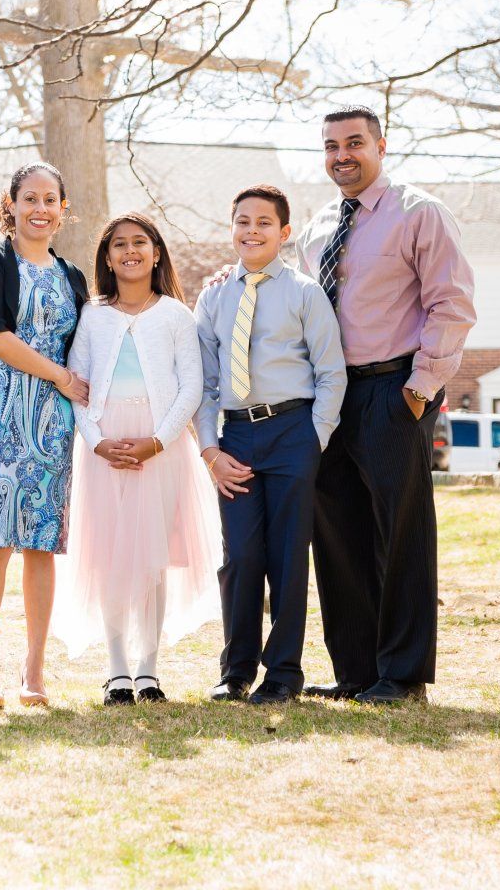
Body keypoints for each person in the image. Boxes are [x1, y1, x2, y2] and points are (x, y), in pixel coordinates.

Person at [297, 107, 475, 705]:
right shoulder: (318, 225)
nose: (342, 155)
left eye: (354, 143)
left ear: (381, 145)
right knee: (336, 528)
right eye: (331, 146)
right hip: (329, 394)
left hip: (394, 388)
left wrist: (420, 388)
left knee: (400, 530)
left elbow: (452, 304)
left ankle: (402, 675)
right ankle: (355, 670)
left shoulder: (420, 212)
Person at [53, 213, 222, 705]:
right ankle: (118, 672)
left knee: (153, 558)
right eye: (120, 244)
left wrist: (159, 440)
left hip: (158, 447)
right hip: (105, 448)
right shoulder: (94, 315)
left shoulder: (175, 315)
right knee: (109, 559)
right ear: (107, 258)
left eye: (140, 242)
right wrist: (95, 441)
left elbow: (191, 386)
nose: (130, 251)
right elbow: (78, 384)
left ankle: (148, 670)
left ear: (156, 253)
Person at [196, 185, 345, 705]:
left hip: (292, 431)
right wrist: (210, 451)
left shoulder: (305, 292)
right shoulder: (214, 296)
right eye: (243, 221)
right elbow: (204, 383)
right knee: (240, 555)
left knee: (287, 555)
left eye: (264, 223)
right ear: (231, 228)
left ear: (284, 233)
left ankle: (283, 673)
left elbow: (331, 372)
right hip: (236, 435)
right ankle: (235, 670)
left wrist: (313, 439)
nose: (252, 230)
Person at [0, 162, 90, 708]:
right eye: (30, 198)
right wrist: (60, 375)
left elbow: (89, 340)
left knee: (42, 542)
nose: (40, 209)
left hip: (52, 421)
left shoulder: (73, 276)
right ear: (11, 205)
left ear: (63, 209)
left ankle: (34, 667)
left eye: (50, 199)